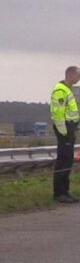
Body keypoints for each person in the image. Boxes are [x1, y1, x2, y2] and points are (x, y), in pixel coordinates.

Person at [50, 65, 80, 203]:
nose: (79, 78)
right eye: (78, 75)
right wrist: (64, 131)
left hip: (70, 127)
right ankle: (59, 193)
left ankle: (65, 191)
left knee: (68, 160)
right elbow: (58, 113)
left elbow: (71, 112)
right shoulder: (61, 90)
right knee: (63, 160)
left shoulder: (68, 90)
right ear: (70, 75)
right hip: (65, 129)